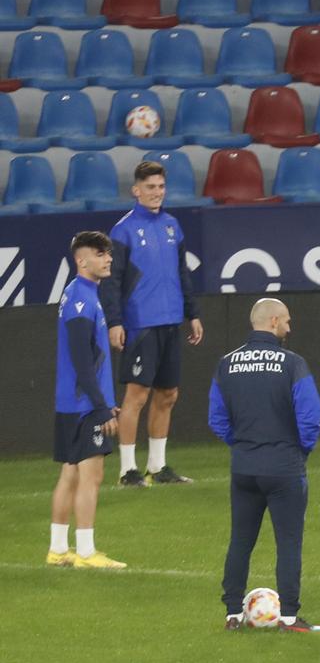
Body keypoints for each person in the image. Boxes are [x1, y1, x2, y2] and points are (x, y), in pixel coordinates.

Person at [209, 298, 320, 632]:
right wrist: (298, 451)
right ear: (273, 321)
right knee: (288, 542)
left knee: (240, 541)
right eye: (287, 321)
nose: (289, 328)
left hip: (244, 467)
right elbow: (310, 417)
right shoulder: (292, 363)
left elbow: (216, 419)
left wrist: (243, 445)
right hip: (284, 466)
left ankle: (233, 613)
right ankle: (288, 616)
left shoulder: (226, 364)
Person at [102, 160, 204, 487]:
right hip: (140, 324)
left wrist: (193, 313)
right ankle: (127, 470)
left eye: (160, 187)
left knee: (168, 394)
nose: (156, 193)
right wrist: (115, 322)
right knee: (137, 395)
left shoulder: (173, 226)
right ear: (136, 190)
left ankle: (158, 468)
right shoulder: (123, 230)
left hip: (171, 321)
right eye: (150, 187)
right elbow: (112, 280)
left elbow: (182, 274)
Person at [48, 231, 126, 570]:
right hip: (83, 406)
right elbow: (82, 361)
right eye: (100, 253)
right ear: (82, 260)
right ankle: (85, 552)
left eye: (108, 253)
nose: (108, 258)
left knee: (70, 474)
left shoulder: (80, 295)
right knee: (91, 475)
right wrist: (100, 405)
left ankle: (57, 550)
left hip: (73, 403)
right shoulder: (81, 300)